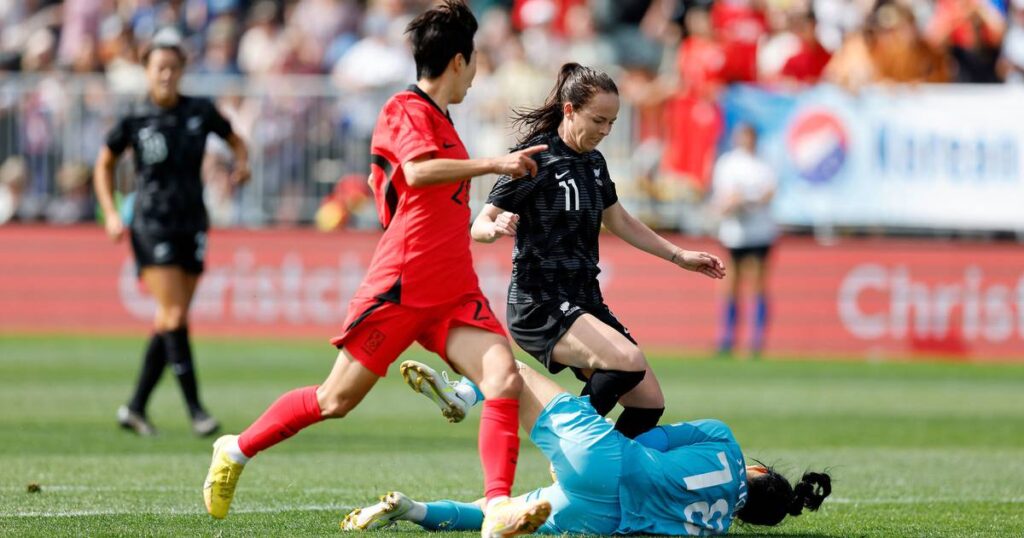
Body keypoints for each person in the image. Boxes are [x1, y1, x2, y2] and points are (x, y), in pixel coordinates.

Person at [202, 3, 552, 536]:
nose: (477, 72)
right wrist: (494, 162)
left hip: (453, 289)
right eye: (475, 60)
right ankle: (237, 447)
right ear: (459, 60)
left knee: (502, 377)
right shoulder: (404, 107)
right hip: (403, 284)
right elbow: (415, 170)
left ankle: (498, 506)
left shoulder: (442, 120)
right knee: (335, 400)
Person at [469, 63, 725, 439]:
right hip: (540, 300)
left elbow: (619, 220)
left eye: (612, 122)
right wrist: (496, 227)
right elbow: (479, 224)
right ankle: (573, 445)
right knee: (628, 363)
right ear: (570, 110)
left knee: (648, 401)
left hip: (584, 297)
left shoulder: (593, 161)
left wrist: (679, 256)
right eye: (598, 120)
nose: (605, 131)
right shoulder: (534, 157)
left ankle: (610, 474)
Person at [342, 359, 832, 535]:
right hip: (605, 518)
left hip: (609, 458)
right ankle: (410, 510)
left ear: (762, 472)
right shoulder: (716, 527)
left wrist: (582, 449)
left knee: (505, 368)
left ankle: (462, 395)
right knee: (492, 513)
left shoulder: (725, 441)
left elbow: (646, 437)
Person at [93, 28, 250, 437]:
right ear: (146, 71)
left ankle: (135, 407)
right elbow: (103, 164)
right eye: (159, 67)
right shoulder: (134, 120)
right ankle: (197, 410)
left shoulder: (199, 110)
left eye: (173, 68)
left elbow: (236, 140)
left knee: (169, 320)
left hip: (193, 221)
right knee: (176, 314)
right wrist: (112, 211)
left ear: (182, 71)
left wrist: (242, 164)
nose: (166, 74)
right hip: (150, 222)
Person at [709, 124, 776, 358]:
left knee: (757, 283)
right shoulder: (728, 163)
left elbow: (769, 193)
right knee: (730, 283)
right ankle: (727, 339)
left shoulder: (764, 164)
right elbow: (722, 197)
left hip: (759, 231)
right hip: (734, 232)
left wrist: (745, 199)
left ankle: (756, 341)